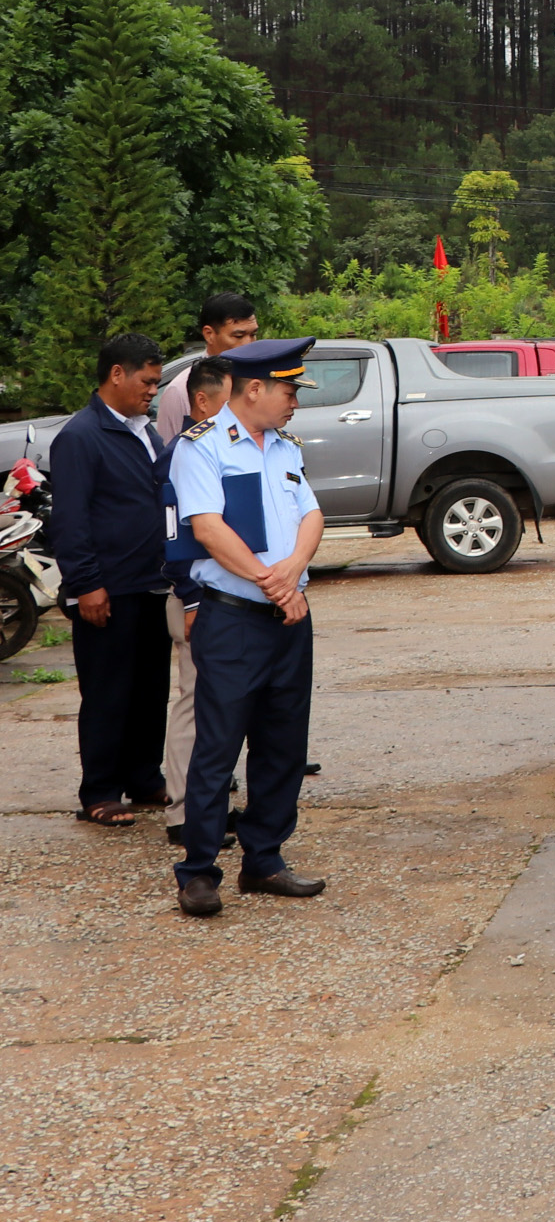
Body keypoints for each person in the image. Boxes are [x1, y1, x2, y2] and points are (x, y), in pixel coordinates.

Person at [171, 338, 327, 917]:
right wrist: (273, 581)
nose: (295, 403)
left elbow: (311, 514)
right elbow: (208, 529)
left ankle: (264, 860)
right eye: (289, 391)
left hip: (288, 619)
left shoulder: (285, 447)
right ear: (254, 389)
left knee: (283, 745)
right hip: (234, 619)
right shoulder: (203, 448)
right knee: (218, 747)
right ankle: (198, 871)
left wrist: (290, 573)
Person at [50, 334, 174, 829]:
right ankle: (99, 790)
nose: (152, 392)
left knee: (149, 688)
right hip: (109, 588)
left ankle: (144, 777)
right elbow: (71, 520)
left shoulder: (147, 431)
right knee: (107, 692)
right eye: (146, 382)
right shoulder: (81, 436)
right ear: (116, 374)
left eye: (156, 383)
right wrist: (86, 584)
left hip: (152, 583)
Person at [160, 357, 231, 849]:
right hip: (195, 597)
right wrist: (189, 599)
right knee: (192, 700)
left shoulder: (225, 448)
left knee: (222, 704)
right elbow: (172, 540)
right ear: (202, 402)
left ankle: (212, 802)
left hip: (226, 596)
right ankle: (183, 810)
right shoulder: (179, 454)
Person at [154, 292, 257, 445]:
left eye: (253, 334)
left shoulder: (258, 379)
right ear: (209, 334)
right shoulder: (181, 389)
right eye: (239, 336)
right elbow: (174, 455)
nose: (248, 344)